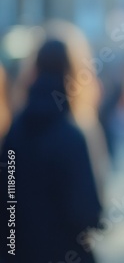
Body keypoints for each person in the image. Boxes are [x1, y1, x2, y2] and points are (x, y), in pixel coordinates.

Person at [0, 40, 102, 263]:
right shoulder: (71, 134)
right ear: (69, 72)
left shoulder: (14, 132)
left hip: (20, 253)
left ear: (34, 70)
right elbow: (87, 212)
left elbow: (7, 200)